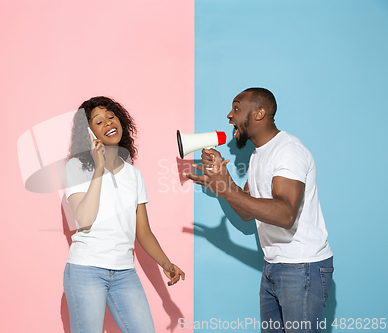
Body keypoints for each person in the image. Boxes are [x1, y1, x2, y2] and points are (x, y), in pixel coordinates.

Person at [184, 88, 333, 333]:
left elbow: (285, 215)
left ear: (260, 113)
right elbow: (246, 212)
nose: (229, 116)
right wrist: (224, 181)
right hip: (274, 266)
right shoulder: (258, 155)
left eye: (236, 108)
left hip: (302, 268)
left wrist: (224, 189)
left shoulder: (289, 150)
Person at [63, 96, 185, 333]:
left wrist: (166, 263)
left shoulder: (134, 175)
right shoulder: (76, 167)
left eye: (111, 116)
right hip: (86, 270)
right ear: (88, 133)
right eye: (98, 122)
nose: (109, 123)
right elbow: (84, 220)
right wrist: (98, 169)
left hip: (124, 272)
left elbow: (143, 232)